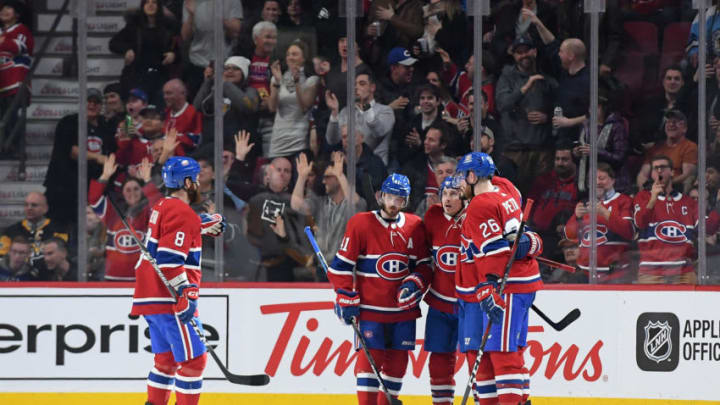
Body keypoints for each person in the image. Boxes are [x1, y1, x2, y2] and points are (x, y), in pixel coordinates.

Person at [327, 173, 432, 405]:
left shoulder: (415, 225)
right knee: (368, 364)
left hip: (403, 313)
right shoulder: (360, 223)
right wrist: (345, 294)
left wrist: (415, 283)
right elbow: (340, 267)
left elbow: (425, 266)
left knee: (397, 366)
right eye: (391, 197)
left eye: (400, 199)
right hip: (371, 311)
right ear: (381, 196)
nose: (394, 204)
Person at [130, 156, 224, 405]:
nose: (198, 184)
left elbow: (170, 234)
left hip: (151, 295)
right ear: (186, 182)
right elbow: (170, 260)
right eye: (195, 179)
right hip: (169, 297)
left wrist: (201, 223)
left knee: (166, 361)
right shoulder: (181, 211)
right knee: (194, 362)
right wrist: (187, 292)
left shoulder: (163, 205)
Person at [454, 152, 543, 405]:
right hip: (517, 284)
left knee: (504, 355)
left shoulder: (481, 205)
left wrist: (488, 286)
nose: (458, 183)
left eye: (462, 177)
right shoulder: (505, 190)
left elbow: (495, 251)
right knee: (494, 354)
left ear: (472, 176)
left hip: (507, 286)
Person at [632, 155, 713, 284]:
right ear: (651, 174)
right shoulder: (642, 197)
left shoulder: (689, 202)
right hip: (651, 272)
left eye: (663, 167)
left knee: (689, 305)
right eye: (655, 168)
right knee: (650, 305)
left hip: (683, 271)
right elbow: (640, 223)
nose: (659, 171)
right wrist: (653, 199)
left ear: (672, 172)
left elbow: (708, 228)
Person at [421, 176, 465, 404]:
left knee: (480, 357)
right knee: (439, 358)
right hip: (439, 302)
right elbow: (422, 254)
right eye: (444, 194)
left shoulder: (475, 218)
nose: (447, 199)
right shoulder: (433, 216)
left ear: (464, 195)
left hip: (469, 304)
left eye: (454, 194)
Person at [291, 151, 366, 281]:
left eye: (329, 177)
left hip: (347, 269)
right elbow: (296, 205)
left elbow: (355, 204)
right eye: (324, 177)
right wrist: (302, 177)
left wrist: (341, 175)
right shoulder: (320, 203)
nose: (324, 181)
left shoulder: (355, 202)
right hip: (323, 268)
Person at [44, 88, 116, 224]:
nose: (92, 105)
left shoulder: (106, 126)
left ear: (101, 106)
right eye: (88, 101)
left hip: (93, 189)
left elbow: (124, 133)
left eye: (96, 102)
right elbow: (71, 151)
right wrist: (97, 157)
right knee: (60, 227)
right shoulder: (69, 122)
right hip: (64, 188)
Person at [89, 154, 162, 281]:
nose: (132, 193)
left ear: (142, 191)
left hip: (142, 278)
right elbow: (94, 199)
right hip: (113, 277)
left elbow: (160, 208)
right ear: (122, 193)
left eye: (136, 189)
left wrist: (147, 181)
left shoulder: (148, 212)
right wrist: (104, 176)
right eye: (128, 190)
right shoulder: (112, 212)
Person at [564, 163, 634, 283]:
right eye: (593, 179)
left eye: (602, 178)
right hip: (585, 273)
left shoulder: (624, 201)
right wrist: (576, 217)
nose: (597, 182)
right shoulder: (585, 203)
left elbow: (628, 231)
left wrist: (604, 212)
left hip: (616, 274)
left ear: (612, 181)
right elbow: (570, 235)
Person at [193, 56, 261, 166]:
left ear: (244, 73)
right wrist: (208, 82)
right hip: (211, 145)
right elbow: (197, 108)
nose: (230, 71)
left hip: (236, 148)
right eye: (226, 68)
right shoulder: (215, 90)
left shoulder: (250, 91)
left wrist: (224, 83)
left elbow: (248, 106)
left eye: (235, 68)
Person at [109, 0, 180, 106]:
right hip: (136, 75)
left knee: (158, 111)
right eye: (147, 2)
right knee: (131, 110)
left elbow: (179, 52)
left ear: (159, 6)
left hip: (160, 76)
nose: (150, 5)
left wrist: (173, 55)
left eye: (154, 2)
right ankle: (128, 124)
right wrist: (127, 50)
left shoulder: (168, 27)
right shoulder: (133, 26)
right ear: (143, 6)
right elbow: (113, 44)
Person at [325, 70, 395, 165]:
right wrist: (334, 112)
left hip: (376, 168)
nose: (356, 87)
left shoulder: (385, 111)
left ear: (372, 87)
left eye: (362, 84)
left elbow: (378, 132)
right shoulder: (346, 111)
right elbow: (332, 140)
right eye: (354, 84)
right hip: (349, 166)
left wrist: (366, 107)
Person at [267, 39, 319, 158]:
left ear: (303, 58)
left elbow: (304, 107)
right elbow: (272, 108)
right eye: (288, 54)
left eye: (294, 54)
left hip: (299, 141)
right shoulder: (278, 77)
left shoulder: (311, 80)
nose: (290, 57)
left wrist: (296, 84)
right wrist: (277, 82)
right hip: (278, 139)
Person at [181, 0, 243, 98]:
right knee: (197, 107)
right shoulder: (190, 1)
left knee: (222, 108)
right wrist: (191, 15)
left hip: (224, 65)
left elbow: (236, 31)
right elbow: (185, 37)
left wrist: (220, 16)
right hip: (197, 64)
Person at [635, 109, 698, 193]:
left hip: (676, 190)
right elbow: (643, 174)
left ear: (684, 129)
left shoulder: (690, 147)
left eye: (676, 122)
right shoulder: (656, 148)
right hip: (653, 189)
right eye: (668, 122)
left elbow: (687, 176)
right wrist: (643, 193)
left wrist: (665, 185)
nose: (671, 124)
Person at [0, 192, 70, 263]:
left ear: (45, 208)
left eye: (34, 205)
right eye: (26, 205)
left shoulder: (59, 230)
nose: (29, 208)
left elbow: (62, 258)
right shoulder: (10, 231)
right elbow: (2, 258)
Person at [0, 0, 33, 105]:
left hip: (14, 82)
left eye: (8, 8)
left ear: (17, 14)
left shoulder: (22, 29)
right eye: (2, 9)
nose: (4, 11)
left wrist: (4, 42)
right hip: (2, 79)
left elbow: (18, 47)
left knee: (10, 117)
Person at [162, 79, 202, 156]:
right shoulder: (164, 113)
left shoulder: (193, 113)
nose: (165, 97)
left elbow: (195, 140)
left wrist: (169, 139)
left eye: (169, 93)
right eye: (164, 94)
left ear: (182, 93)